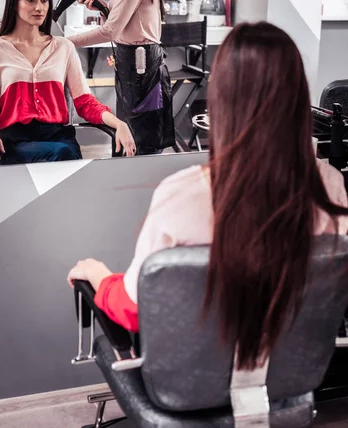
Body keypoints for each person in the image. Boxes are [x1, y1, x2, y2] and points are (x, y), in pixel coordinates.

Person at [68, 21, 348, 370]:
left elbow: (134, 309)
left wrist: (97, 275)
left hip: (193, 385)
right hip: (292, 380)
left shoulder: (184, 192)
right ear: (298, 96)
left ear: (222, 98)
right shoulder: (331, 186)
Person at [0, 0, 136, 165]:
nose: (39, 7)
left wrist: (119, 123)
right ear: (14, 2)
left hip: (58, 137)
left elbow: (85, 102)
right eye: (30, 0)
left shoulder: (63, 47)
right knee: (62, 156)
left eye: (44, 0)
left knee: (63, 153)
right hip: (14, 141)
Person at [67, 0, 175, 156]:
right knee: (129, 129)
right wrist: (102, 6)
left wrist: (66, 42)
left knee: (140, 133)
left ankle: (137, 181)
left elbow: (110, 32)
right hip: (132, 63)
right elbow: (126, 23)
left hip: (141, 65)